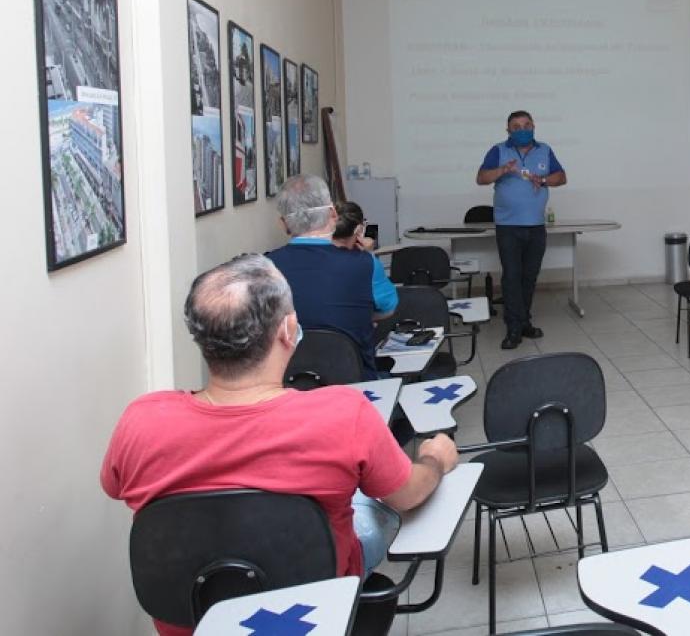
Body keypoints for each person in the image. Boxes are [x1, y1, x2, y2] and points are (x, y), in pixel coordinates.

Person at [101, 255, 458, 636]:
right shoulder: (342, 413)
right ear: (288, 330)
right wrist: (433, 459)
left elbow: (114, 486)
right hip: (313, 607)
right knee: (370, 507)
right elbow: (406, 496)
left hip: (191, 622)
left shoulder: (141, 419)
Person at [266, 175, 398, 379]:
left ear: (284, 224)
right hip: (356, 382)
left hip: (288, 386)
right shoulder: (365, 263)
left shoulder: (264, 269)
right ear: (333, 214)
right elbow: (387, 309)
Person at [476, 110, 567, 349]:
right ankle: (513, 327)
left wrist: (544, 180)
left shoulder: (544, 150)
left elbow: (561, 177)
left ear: (534, 126)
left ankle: (524, 321)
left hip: (536, 226)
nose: (522, 129)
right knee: (512, 277)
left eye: (526, 125)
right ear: (508, 131)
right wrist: (502, 170)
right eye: (516, 126)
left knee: (529, 277)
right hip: (508, 227)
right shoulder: (498, 150)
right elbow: (481, 178)